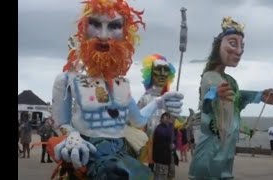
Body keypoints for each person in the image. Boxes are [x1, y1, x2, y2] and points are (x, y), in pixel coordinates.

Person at [51, 0, 184, 179]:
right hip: (87, 156)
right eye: (95, 24)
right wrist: (73, 137)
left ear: (125, 33)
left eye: (114, 26)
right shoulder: (67, 80)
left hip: (122, 154)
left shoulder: (123, 85)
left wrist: (160, 102)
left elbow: (138, 120)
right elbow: (61, 123)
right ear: (83, 28)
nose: (103, 36)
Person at [188, 16, 273, 179]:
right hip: (209, 154)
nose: (239, 51)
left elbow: (239, 98)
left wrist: (260, 96)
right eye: (233, 44)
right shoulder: (209, 76)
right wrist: (213, 95)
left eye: (242, 46)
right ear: (219, 46)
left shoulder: (231, 81)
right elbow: (206, 102)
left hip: (226, 154)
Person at [134, 54, 176, 170]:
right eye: (158, 70)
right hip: (147, 143)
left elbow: (172, 123)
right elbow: (137, 121)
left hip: (163, 144)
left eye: (166, 70)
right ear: (151, 73)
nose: (162, 73)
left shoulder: (169, 100)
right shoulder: (145, 98)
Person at [152, 112, 176, 180]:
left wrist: (174, 145)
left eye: (168, 118)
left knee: (169, 174)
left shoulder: (171, 127)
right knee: (160, 175)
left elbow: (174, 140)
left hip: (169, 155)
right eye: (165, 118)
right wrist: (169, 145)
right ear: (161, 119)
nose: (167, 119)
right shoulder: (159, 128)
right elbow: (159, 143)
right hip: (161, 157)